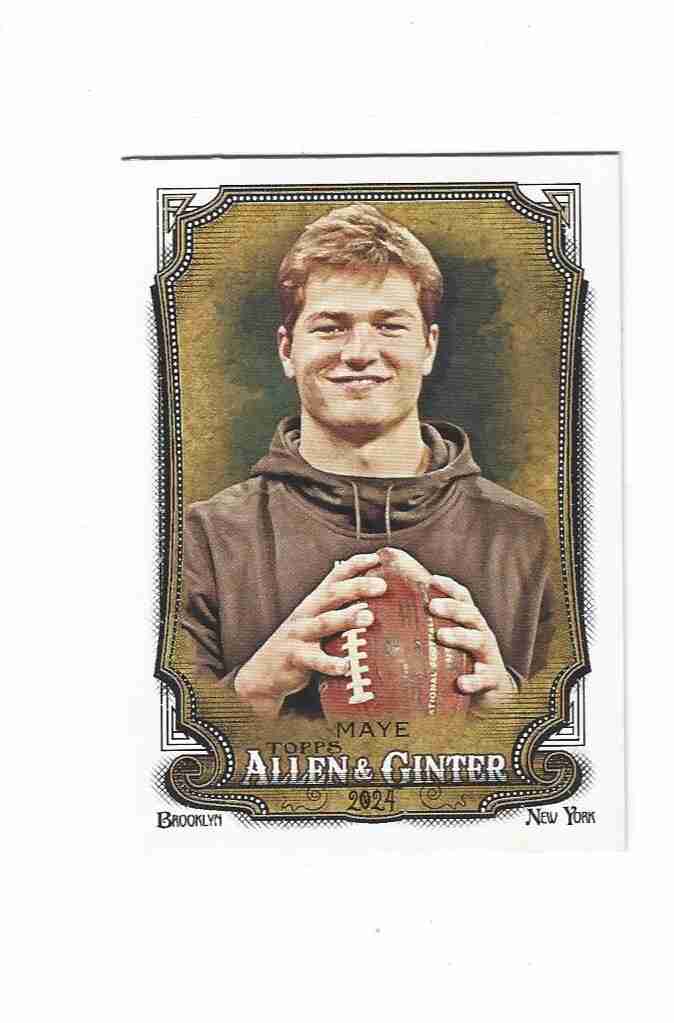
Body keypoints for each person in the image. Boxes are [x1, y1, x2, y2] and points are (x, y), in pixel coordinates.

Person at [181, 204, 555, 719]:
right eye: (330, 327)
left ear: (429, 347)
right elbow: (157, 747)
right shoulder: (204, 538)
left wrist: (510, 713)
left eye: (389, 326)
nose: (359, 351)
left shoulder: (529, 537)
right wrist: (251, 693)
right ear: (287, 350)